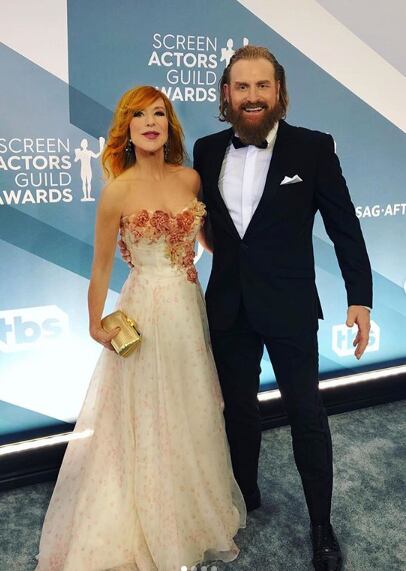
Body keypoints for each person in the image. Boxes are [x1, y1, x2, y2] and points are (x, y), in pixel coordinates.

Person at [34, 86, 246, 571]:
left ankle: (190, 509)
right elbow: (101, 267)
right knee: (148, 413)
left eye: (159, 114)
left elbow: (209, 242)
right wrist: (94, 322)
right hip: (144, 311)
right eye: (139, 115)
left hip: (188, 307)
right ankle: (149, 512)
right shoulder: (118, 191)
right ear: (126, 129)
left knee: (192, 406)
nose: (151, 122)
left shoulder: (190, 179)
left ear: (170, 125)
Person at [193, 45, 373, 571]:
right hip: (228, 306)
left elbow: (345, 227)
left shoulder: (313, 148)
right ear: (226, 95)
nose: (252, 97)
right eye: (241, 87)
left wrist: (359, 297)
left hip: (290, 305)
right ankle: (243, 498)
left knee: (306, 414)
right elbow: (210, 226)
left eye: (262, 86)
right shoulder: (206, 150)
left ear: (279, 92)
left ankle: (321, 524)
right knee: (238, 412)